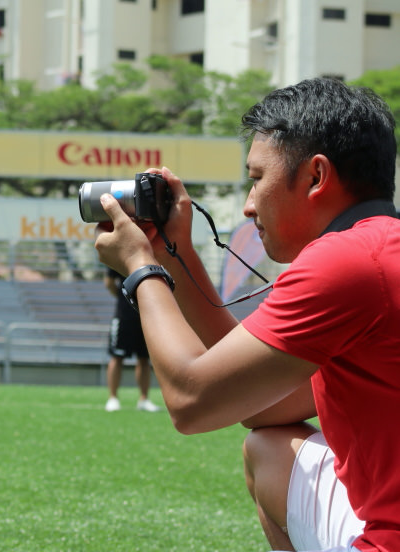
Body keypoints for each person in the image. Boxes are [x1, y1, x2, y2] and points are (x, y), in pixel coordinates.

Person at [94, 77, 400, 552]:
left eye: (257, 179)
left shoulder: (346, 260)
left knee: (267, 452)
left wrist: (140, 267)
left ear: (316, 177)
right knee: (269, 447)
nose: (248, 205)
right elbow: (262, 405)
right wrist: (177, 256)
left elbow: (192, 402)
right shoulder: (381, 249)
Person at [102, 267, 159, 413]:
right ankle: (113, 398)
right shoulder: (120, 258)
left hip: (145, 316)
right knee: (117, 356)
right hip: (124, 316)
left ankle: (144, 399)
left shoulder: (151, 259)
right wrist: (124, 297)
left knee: (144, 358)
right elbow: (109, 282)